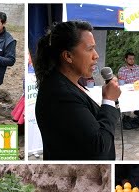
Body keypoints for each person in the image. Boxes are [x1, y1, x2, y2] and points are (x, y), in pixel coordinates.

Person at [34, 21, 120, 160]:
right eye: (89, 49)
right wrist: (108, 101)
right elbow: (98, 147)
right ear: (68, 56)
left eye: (95, 48)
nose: (96, 55)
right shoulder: (60, 94)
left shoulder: (69, 84)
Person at [118, 51, 139, 121]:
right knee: (126, 96)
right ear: (125, 59)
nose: (132, 60)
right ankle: (126, 116)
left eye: (133, 59)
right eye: (130, 59)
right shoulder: (122, 70)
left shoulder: (138, 68)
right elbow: (121, 82)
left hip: (138, 88)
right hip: (128, 90)